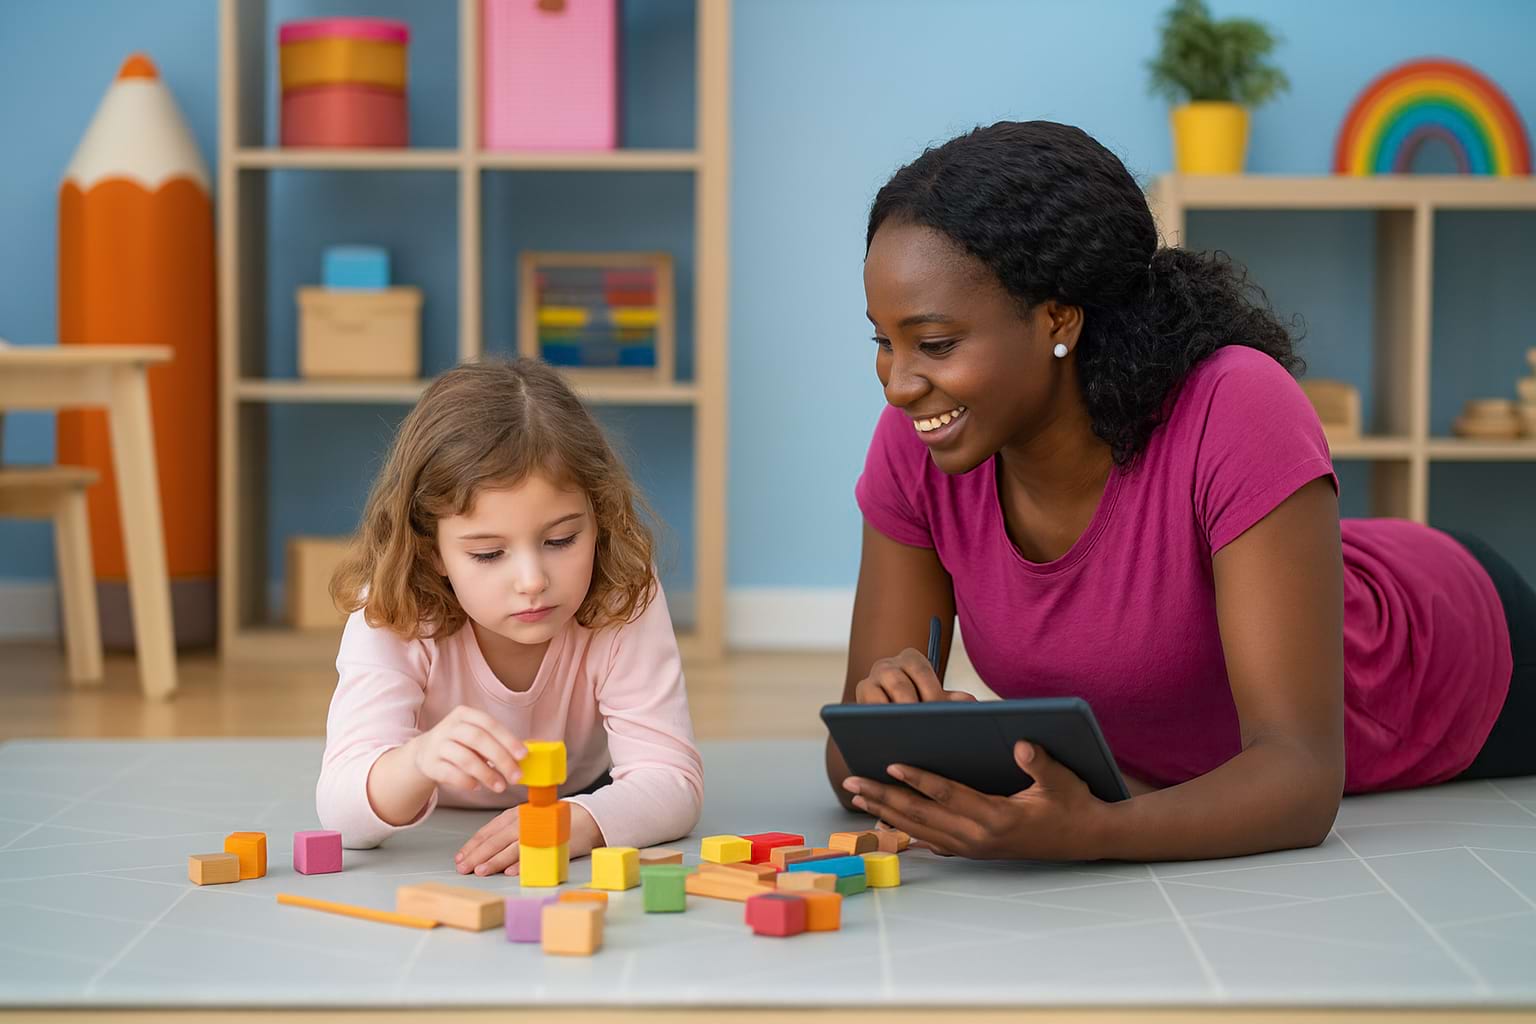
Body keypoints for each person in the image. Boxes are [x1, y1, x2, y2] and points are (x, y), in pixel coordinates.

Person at [828, 120, 1533, 862]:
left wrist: (1091, 832)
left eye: (935, 344)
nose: (899, 385)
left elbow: (1301, 779)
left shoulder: (1236, 406)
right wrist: (893, 724)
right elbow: (850, 762)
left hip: (1458, 656)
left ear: (1057, 318)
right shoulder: (921, 446)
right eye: (884, 341)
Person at [318, 358, 703, 874]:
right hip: (437, 824)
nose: (532, 580)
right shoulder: (393, 609)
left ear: (600, 518)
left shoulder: (621, 591)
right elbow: (341, 813)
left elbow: (671, 779)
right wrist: (417, 759)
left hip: (577, 794)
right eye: (487, 554)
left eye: (561, 540)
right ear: (431, 550)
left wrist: (580, 821)